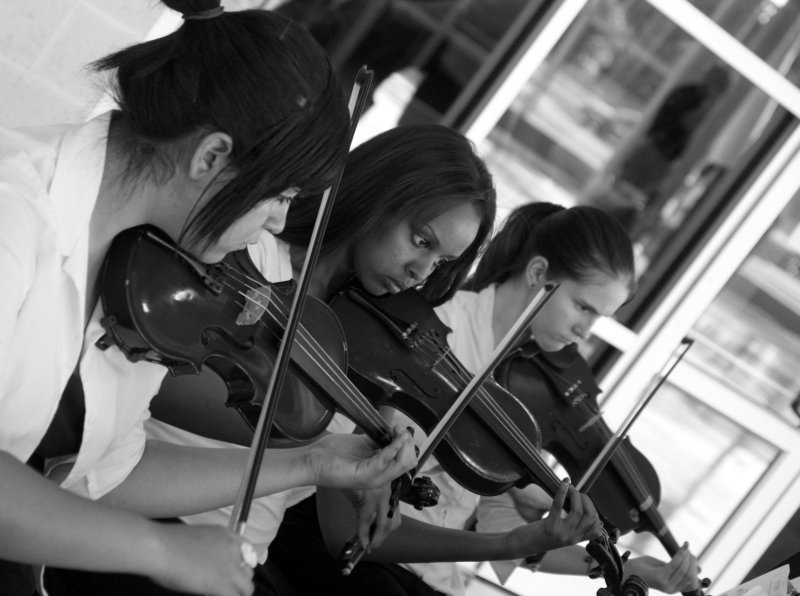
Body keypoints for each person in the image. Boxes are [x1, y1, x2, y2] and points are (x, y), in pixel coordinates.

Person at [0, 3, 417, 596]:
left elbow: (106, 473)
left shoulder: (152, 275)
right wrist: (159, 548)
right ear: (211, 158)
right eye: (280, 195)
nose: (276, 224)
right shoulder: (13, 213)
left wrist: (311, 460)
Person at [267, 201, 701, 595]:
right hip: (350, 557)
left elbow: (505, 531)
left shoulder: (520, 382)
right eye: (583, 308)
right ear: (537, 275)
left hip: (424, 577)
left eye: (598, 319)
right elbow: (347, 516)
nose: (584, 333)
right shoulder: (430, 330)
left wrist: (612, 568)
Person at [136, 124, 499, 596]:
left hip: (241, 559)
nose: (421, 272)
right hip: (158, 521)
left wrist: (370, 474)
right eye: (421, 240)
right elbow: (155, 385)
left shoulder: (374, 344)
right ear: (377, 196)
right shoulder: (254, 254)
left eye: (442, 262)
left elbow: (341, 535)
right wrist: (316, 441)